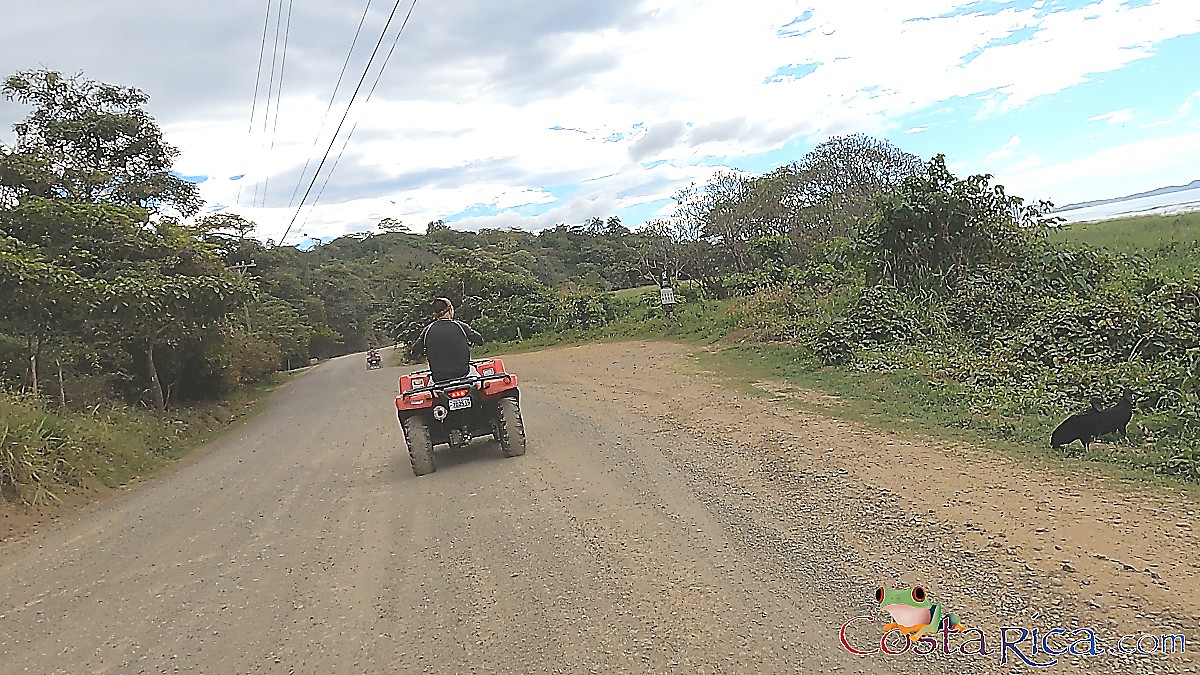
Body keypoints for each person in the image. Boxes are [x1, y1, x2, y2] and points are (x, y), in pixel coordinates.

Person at [408, 297, 485, 382]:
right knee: (479, 379)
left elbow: (414, 351)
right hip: (463, 373)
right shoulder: (460, 326)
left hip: (438, 378)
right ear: (450, 310)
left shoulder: (427, 330)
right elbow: (479, 340)